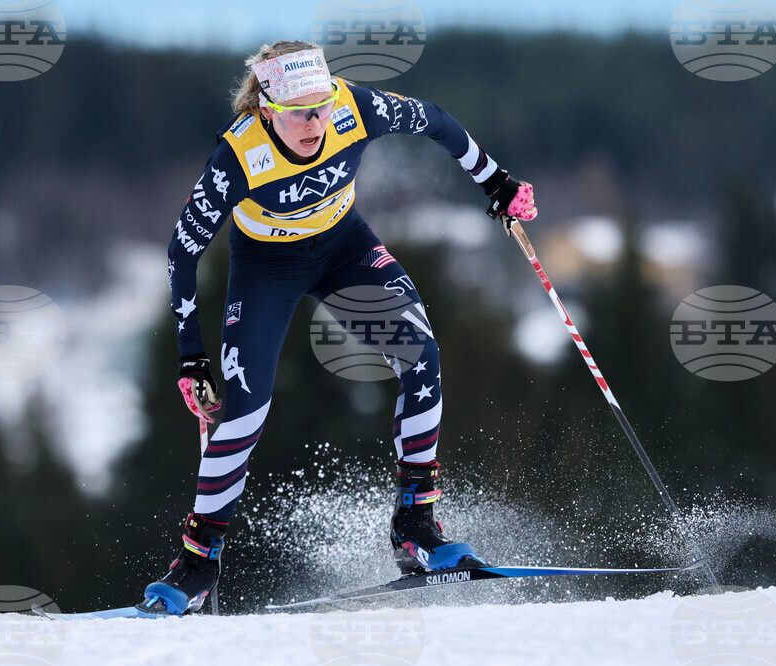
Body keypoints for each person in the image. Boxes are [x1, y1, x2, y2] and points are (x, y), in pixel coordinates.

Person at [139, 41, 537, 615]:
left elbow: (437, 122)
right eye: (299, 110)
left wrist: (494, 180)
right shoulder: (239, 155)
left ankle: (415, 526)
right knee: (246, 408)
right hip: (266, 268)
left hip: (343, 249)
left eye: (320, 106)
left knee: (420, 356)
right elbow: (183, 252)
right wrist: (191, 357)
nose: (314, 121)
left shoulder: (355, 108)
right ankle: (198, 561)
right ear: (267, 109)